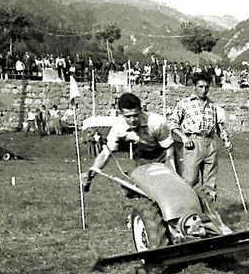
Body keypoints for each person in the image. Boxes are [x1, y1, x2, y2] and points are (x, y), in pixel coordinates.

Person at [81, 93, 175, 192]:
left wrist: (172, 172)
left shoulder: (156, 122)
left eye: (135, 115)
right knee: (130, 191)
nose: (132, 120)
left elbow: (169, 148)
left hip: (162, 153)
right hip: (142, 155)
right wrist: (91, 174)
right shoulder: (118, 127)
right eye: (128, 117)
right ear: (121, 114)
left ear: (141, 110)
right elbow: (105, 154)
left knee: (168, 189)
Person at [168, 71, 232, 202]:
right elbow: (172, 122)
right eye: (201, 87)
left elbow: (219, 126)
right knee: (190, 179)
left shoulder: (213, 105)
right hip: (193, 143)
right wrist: (184, 137)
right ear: (194, 87)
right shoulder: (185, 103)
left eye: (206, 87)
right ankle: (184, 208)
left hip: (210, 143)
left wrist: (226, 141)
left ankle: (208, 210)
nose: (204, 90)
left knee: (210, 182)